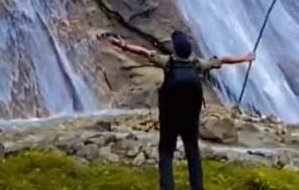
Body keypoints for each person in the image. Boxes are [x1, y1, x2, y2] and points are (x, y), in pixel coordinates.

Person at [108, 30, 255, 190]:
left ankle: (167, 187)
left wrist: (123, 46)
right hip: (190, 118)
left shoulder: (168, 62)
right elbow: (224, 60)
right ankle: (197, 187)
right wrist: (246, 58)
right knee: (192, 151)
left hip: (170, 116)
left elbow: (144, 52)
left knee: (166, 152)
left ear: (175, 49)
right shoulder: (198, 64)